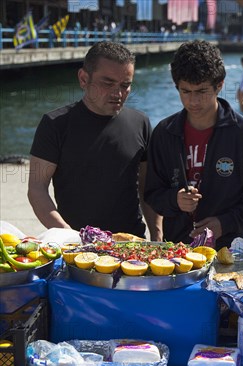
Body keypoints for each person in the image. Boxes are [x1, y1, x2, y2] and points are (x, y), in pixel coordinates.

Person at [144, 40, 243, 248]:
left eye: (202, 91)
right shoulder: (164, 132)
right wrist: (174, 200)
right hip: (177, 248)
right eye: (185, 91)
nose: (193, 101)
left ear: (219, 84)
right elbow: (152, 192)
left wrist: (225, 223)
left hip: (228, 247)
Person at [28, 41, 161, 240]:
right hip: (76, 247)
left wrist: (157, 236)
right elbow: (37, 190)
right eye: (107, 83)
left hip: (132, 244)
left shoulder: (140, 122)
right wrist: (69, 236)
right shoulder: (55, 124)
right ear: (83, 78)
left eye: (125, 85)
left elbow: (147, 189)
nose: (117, 93)